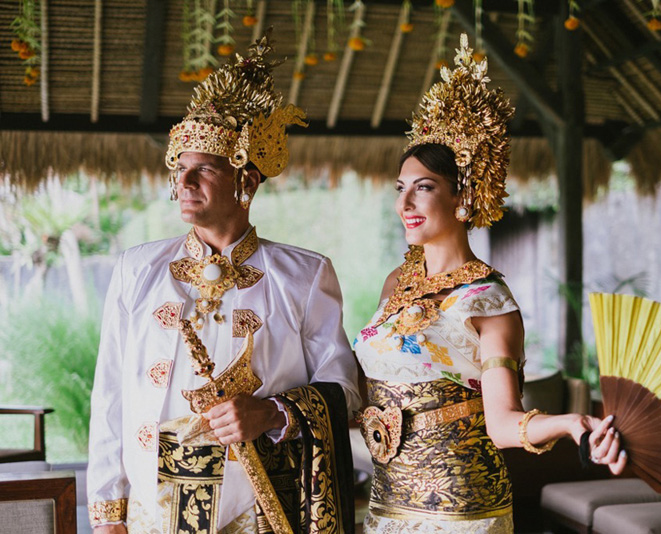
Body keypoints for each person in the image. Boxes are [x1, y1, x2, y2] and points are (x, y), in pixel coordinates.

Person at [353, 35, 627, 533]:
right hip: (387, 504)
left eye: (423, 188)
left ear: (462, 197)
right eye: (401, 188)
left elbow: (502, 424)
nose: (404, 204)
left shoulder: (490, 301)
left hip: (462, 508)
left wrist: (571, 423)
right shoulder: (396, 282)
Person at [87, 35, 359, 534]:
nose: (184, 183)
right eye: (180, 170)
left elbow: (344, 388)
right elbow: (110, 393)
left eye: (204, 170)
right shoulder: (136, 268)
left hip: (256, 508)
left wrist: (271, 413)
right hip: (151, 510)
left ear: (246, 182)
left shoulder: (304, 274)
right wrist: (107, 512)